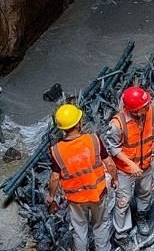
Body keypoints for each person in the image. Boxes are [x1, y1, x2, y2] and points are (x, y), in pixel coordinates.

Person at [48, 103, 115, 251]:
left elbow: (54, 177)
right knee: (101, 225)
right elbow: (109, 164)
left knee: (79, 230)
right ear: (78, 123)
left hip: (76, 200)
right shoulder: (93, 140)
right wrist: (115, 179)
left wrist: (51, 197)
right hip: (97, 194)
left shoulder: (57, 150)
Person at [108, 86, 154, 243]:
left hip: (145, 163)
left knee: (145, 193)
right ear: (134, 110)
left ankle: (141, 217)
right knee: (123, 201)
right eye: (143, 106)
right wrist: (130, 164)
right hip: (125, 170)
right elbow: (113, 148)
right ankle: (121, 233)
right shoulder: (117, 124)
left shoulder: (150, 109)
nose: (147, 107)